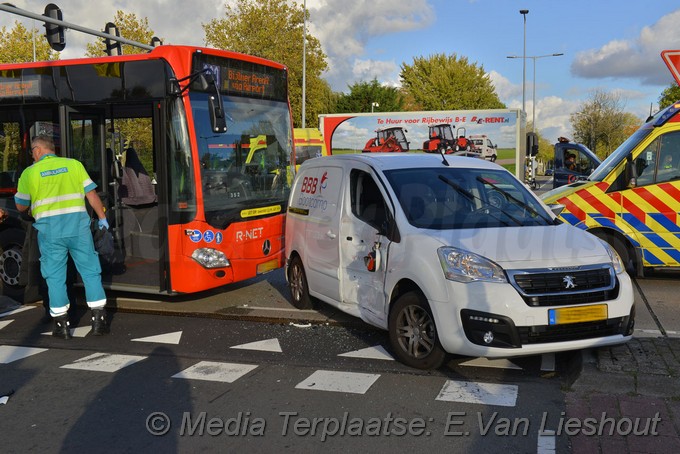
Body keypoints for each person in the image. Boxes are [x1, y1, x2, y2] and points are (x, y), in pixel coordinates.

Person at [14, 135, 109, 339]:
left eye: (32, 151)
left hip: (50, 233)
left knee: (55, 277)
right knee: (90, 272)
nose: (32, 155)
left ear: (38, 150)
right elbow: (92, 195)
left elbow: (20, 206)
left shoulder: (29, 173)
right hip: (78, 229)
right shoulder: (74, 165)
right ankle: (99, 322)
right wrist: (102, 218)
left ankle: (61, 325)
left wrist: (32, 204)